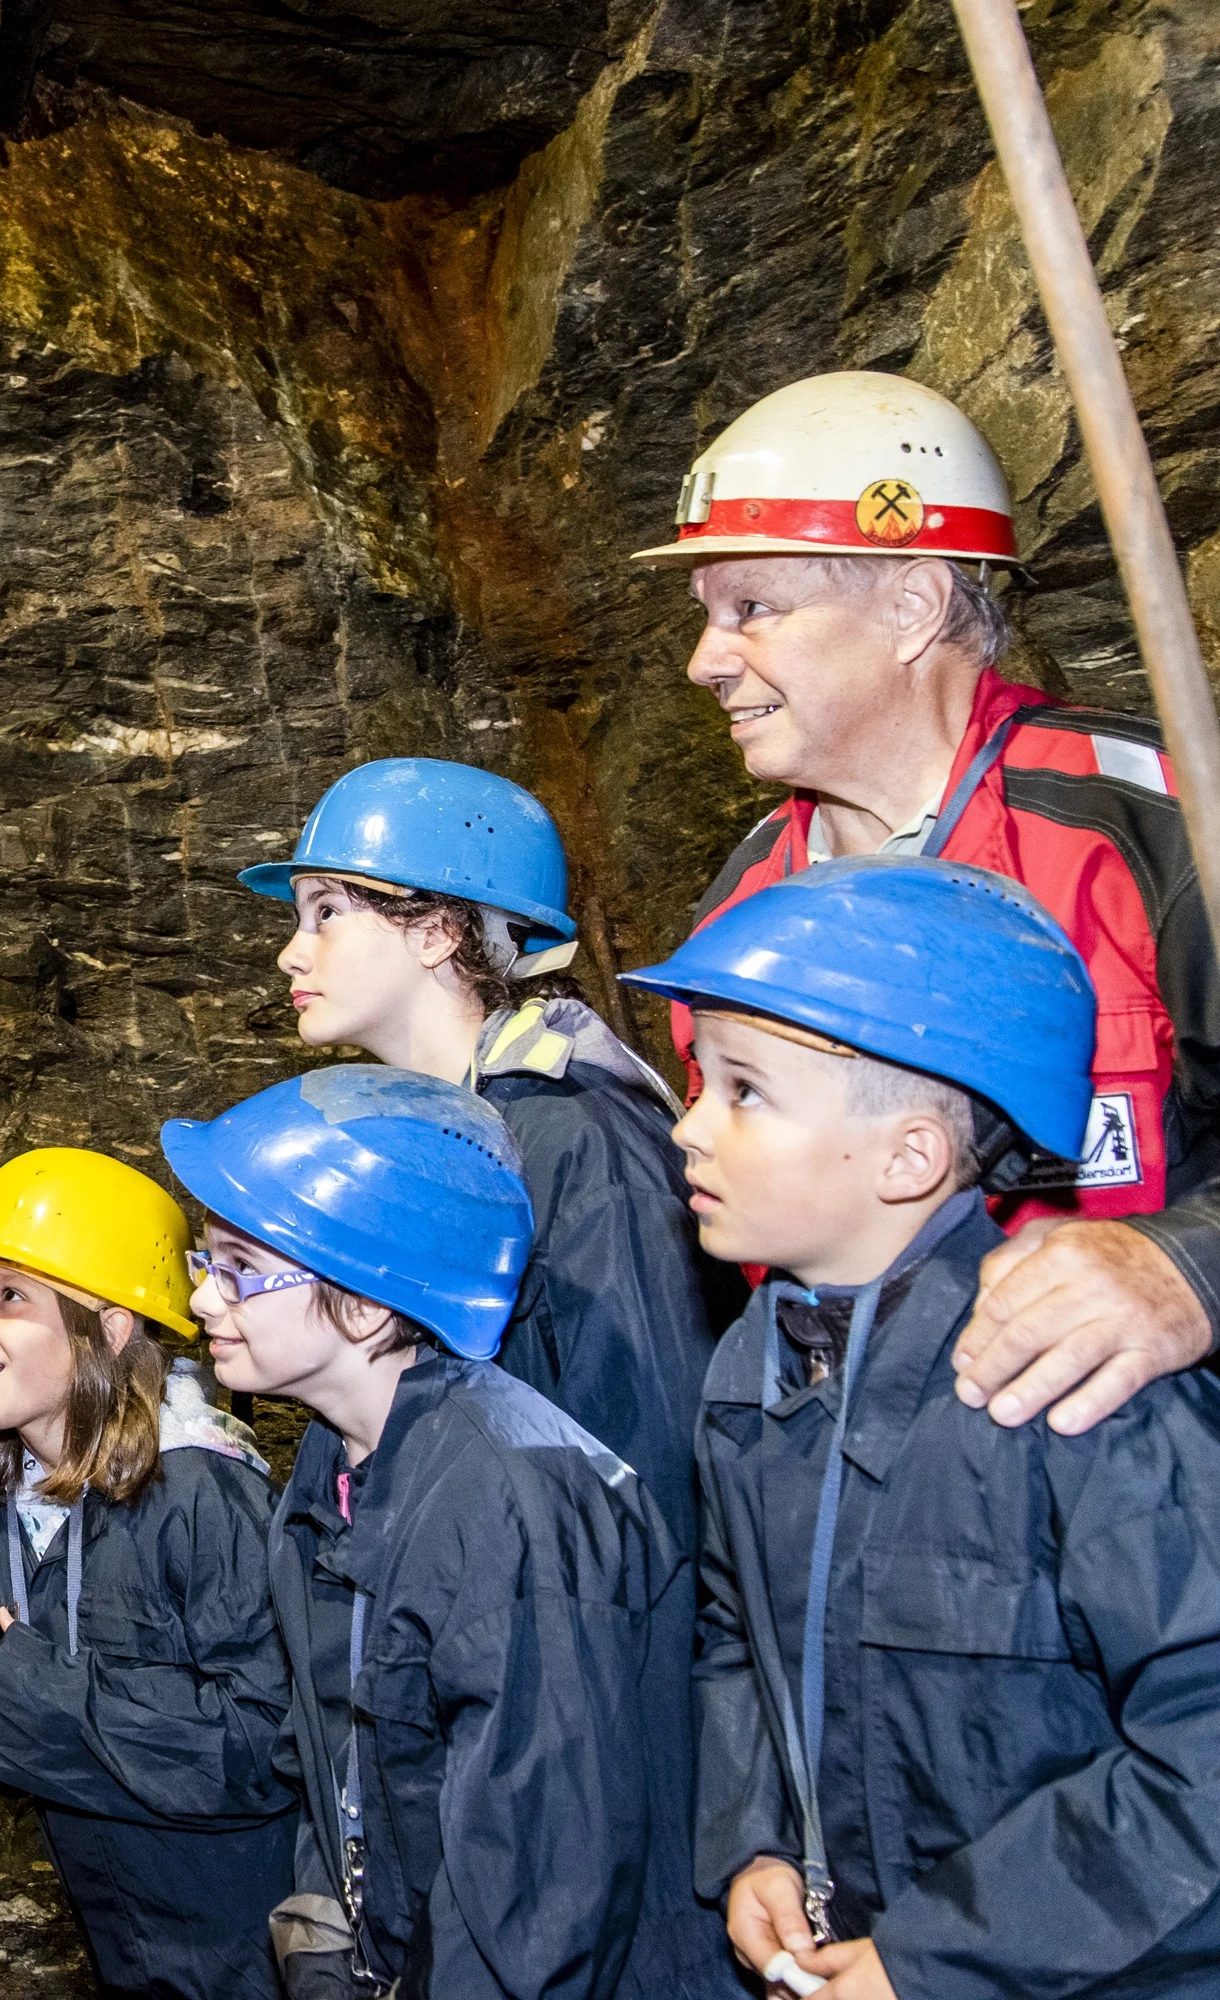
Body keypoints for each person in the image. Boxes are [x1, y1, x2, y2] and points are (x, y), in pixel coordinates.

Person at [622, 855, 1220, 1997]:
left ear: (911, 1154)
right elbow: (736, 1629)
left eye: (742, 1090)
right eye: (701, 1082)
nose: (686, 1130)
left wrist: (938, 1956)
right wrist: (753, 1834)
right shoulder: (751, 1368)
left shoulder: (1066, 1380)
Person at [636, 369, 1220, 1437]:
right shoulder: (740, 915)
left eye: (750, 608)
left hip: (1145, 1528)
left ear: (911, 604)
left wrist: (1187, 1268)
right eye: (704, 615)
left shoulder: (1156, 823)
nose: (701, 661)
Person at [161, 1069, 729, 2000]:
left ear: (371, 1301)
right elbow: (326, 1755)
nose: (202, 1303)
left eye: (238, 1270)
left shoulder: (509, 1498)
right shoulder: (334, 1464)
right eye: (204, 1264)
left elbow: (542, 1884)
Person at [241, 756, 732, 1543]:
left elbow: (658, 1463)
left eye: (325, 912)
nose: (291, 954)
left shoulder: (578, 1137)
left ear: (437, 932)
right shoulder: (441, 1141)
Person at [0, 1148, 292, 2000]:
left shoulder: (203, 1494)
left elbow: (270, 1747)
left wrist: (42, 1699)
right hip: (121, 1935)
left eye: (11, 1295)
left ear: (112, 1328)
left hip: (254, 1947)